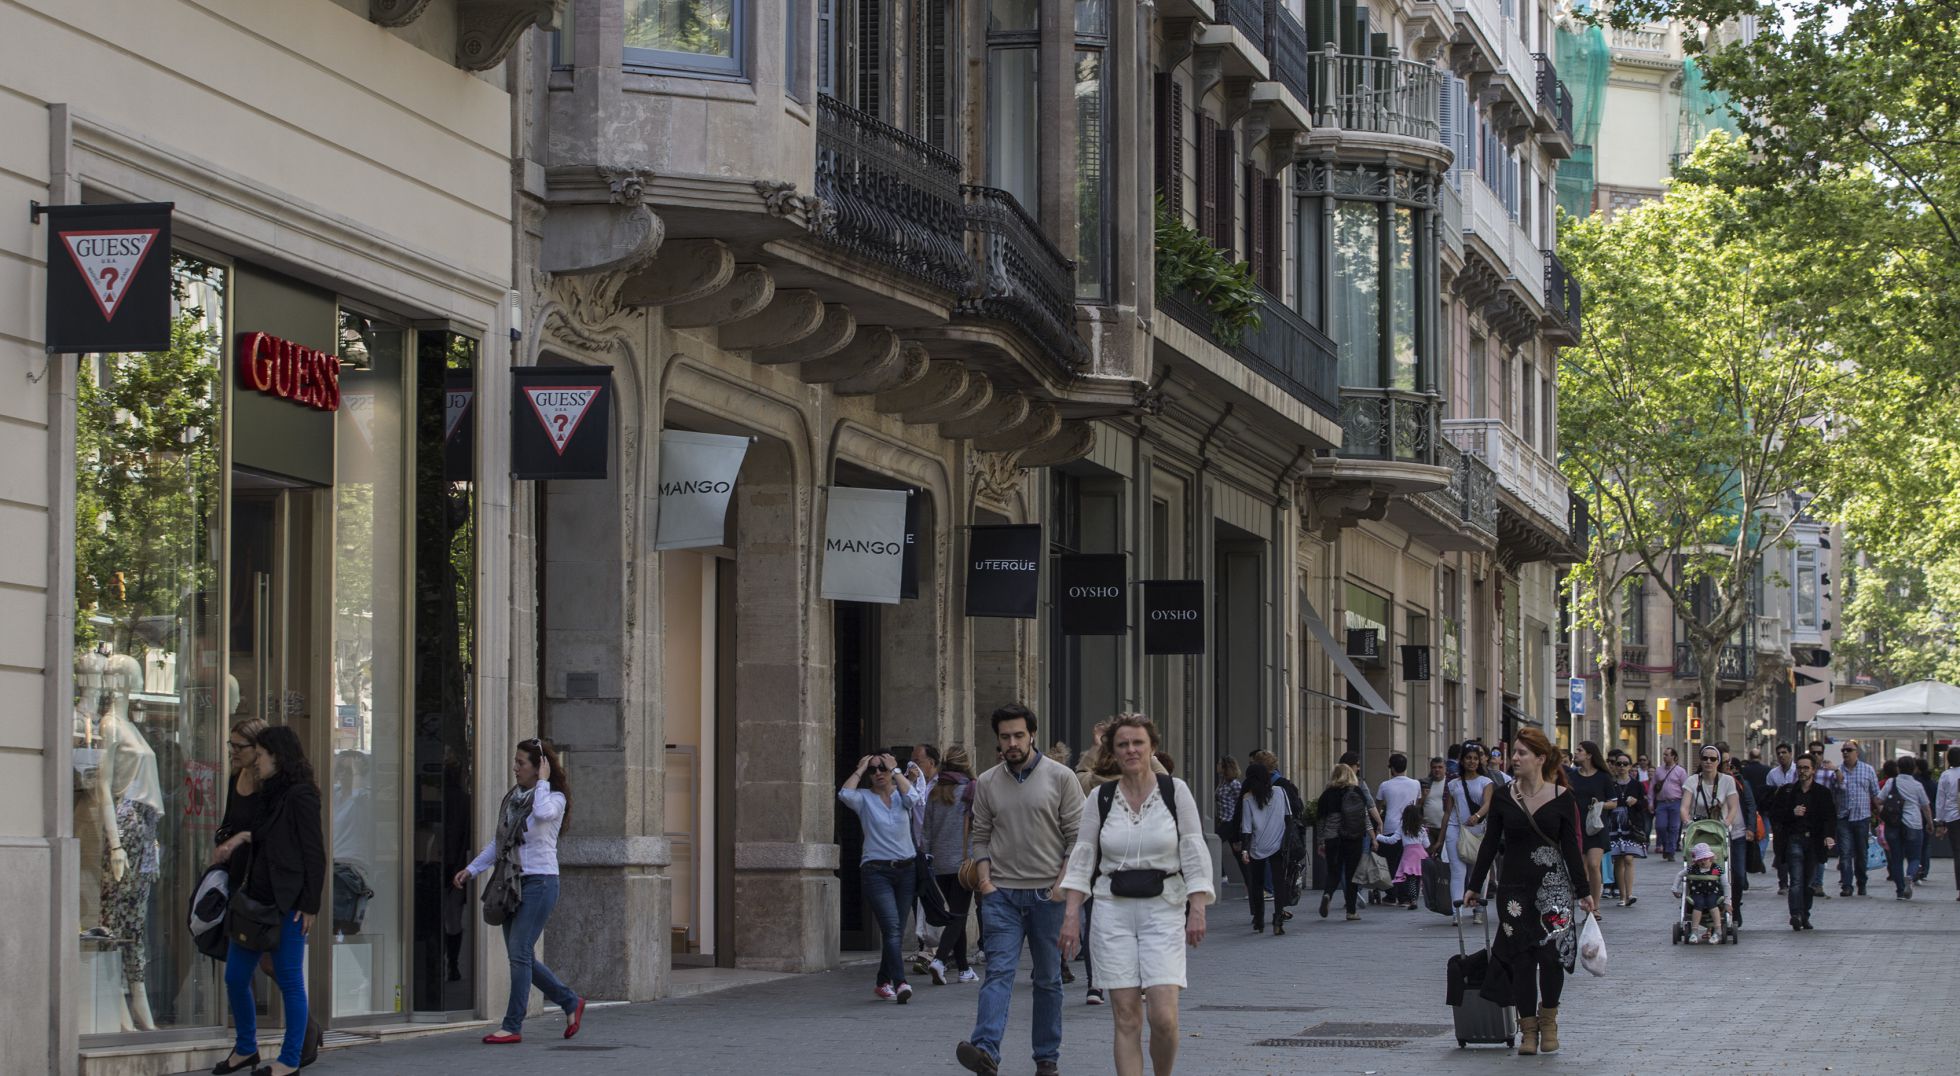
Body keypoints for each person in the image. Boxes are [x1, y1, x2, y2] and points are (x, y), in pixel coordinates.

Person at [1059, 714, 1212, 1076]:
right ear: (1112, 751)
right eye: (1123, 744)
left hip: (1164, 908)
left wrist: (1198, 908)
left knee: (1163, 1018)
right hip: (1112, 909)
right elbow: (1083, 855)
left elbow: (1193, 848)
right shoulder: (1101, 797)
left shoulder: (1176, 792)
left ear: (1152, 747)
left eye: (1138, 743)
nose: (1131, 750)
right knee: (1127, 1017)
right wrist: (1070, 916)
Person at [957, 705, 1083, 1076]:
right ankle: (985, 1052)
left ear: (1032, 735)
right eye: (1005, 737)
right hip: (1002, 896)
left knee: (1047, 978)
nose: (1011, 743)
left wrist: (1061, 886)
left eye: (1018, 736)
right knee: (999, 973)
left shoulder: (1061, 778)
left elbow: (1078, 839)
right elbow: (980, 836)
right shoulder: (987, 781)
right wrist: (985, 882)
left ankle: (1047, 1059)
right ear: (997, 740)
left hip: (1049, 895)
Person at [1463, 729, 1593, 1057]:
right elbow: (1490, 843)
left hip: (1555, 889)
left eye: (1522, 753)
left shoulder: (1563, 798)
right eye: (1514, 753)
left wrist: (1583, 890)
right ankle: (1528, 1028)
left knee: (1551, 958)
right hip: (1514, 891)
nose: (1515, 758)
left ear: (1540, 758)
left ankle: (1549, 1020)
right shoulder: (1504, 796)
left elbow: (1572, 848)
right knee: (1521, 959)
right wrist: (1473, 886)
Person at [209, 726, 324, 1076]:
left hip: (288, 902)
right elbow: (261, 833)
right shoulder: (270, 793)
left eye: (260, 756)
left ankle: (289, 1060)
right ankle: (246, 1048)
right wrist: (239, 838)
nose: (255, 762)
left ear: (278, 755)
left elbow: (313, 854)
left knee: (289, 978)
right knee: (235, 976)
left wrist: (310, 905)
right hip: (256, 900)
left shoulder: (302, 795)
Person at [452, 737, 584, 1043]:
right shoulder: (514, 798)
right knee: (519, 954)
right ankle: (569, 1001)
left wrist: (542, 783)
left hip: (541, 882)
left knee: (520, 953)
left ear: (539, 767)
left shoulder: (553, 798)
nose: (515, 768)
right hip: (511, 884)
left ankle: (512, 1025)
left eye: (521, 763)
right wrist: (472, 869)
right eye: (515, 761)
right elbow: (500, 843)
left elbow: (543, 814)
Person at [838, 751, 924, 1002]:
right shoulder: (864, 799)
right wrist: (860, 768)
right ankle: (900, 983)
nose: (878, 773)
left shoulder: (901, 798)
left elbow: (915, 797)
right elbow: (844, 794)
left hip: (906, 870)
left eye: (882, 768)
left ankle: (882, 981)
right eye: (873, 770)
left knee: (894, 930)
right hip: (877, 872)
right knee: (892, 928)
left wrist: (896, 770)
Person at [923, 746, 979, 986]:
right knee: (958, 915)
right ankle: (940, 961)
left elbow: (925, 831)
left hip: (939, 863)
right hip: (963, 863)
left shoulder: (935, 791)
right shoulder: (972, 789)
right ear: (966, 763)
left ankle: (964, 969)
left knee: (955, 913)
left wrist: (927, 857)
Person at [1770, 753, 1835, 929]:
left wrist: (1829, 836)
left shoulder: (1822, 793)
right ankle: (1796, 914)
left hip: (1813, 842)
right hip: (1794, 840)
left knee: (1807, 882)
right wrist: (1792, 812)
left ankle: (1805, 914)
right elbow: (1775, 815)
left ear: (1813, 770)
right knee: (1796, 881)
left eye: (1806, 768)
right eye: (1799, 767)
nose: (1802, 771)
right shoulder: (1787, 792)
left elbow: (1829, 817)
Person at [1681, 744, 1742, 925]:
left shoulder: (1727, 781)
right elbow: (1684, 807)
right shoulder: (1692, 781)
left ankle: (1731, 908)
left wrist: (1726, 823)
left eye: (1713, 759)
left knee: (1732, 872)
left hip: (1718, 831)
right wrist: (1687, 822)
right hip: (1698, 830)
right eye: (1705, 758)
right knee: (1695, 868)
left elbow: (1733, 807)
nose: (1708, 762)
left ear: (1718, 762)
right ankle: (1694, 905)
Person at [1234, 764, 1296, 934]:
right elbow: (1289, 818)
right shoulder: (1280, 792)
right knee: (1278, 882)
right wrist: (1287, 841)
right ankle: (1278, 919)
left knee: (1257, 883)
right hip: (1278, 843)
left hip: (1256, 846)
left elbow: (1246, 827)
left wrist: (1245, 850)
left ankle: (1259, 919)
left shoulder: (1248, 798)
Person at [1314, 763, 1379, 921]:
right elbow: (1364, 817)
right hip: (1353, 837)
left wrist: (1321, 841)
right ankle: (1351, 911)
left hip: (1332, 838)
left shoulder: (1327, 795)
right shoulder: (1356, 792)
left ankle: (1328, 894)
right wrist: (1372, 836)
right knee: (1351, 874)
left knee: (1334, 871)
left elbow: (1320, 821)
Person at [1441, 742, 1494, 924]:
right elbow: (1448, 812)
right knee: (1458, 871)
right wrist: (1440, 839)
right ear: (1462, 761)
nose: (1472, 761)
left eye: (1475, 758)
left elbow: (1488, 803)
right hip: (1456, 830)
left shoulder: (1486, 782)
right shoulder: (1454, 784)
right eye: (1468, 758)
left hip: (1478, 832)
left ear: (1480, 761)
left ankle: (1479, 909)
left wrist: (1477, 815)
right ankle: (1457, 912)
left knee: (1479, 872)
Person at [1878, 756, 1933, 900]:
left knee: (1896, 859)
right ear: (1914, 768)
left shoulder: (1891, 782)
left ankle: (1900, 891)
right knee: (1915, 857)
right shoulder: (1917, 785)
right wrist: (1930, 823)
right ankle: (1910, 875)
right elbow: (1925, 807)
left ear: (1898, 768)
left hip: (1893, 824)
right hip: (1913, 823)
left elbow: (1878, 799)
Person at [1567, 741, 1611, 917]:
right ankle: (1587, 904)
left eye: (1579, 750)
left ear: (1589, 755)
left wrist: (1600, 805)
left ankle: (1596, 906)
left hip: (1596, 827)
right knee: (1582, 868)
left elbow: (1614, 802)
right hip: (1577, 826)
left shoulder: (1603, 777)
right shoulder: (1572, 777)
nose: (1576, 753)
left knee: (1594, 865)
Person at [1832, 741, 1881, 897]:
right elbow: (1834, 793)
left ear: (1856, 752)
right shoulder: (1837, 771)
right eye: (1843, 750)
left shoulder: (1868, 770)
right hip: (1843, 818)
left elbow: (1875, 794)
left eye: (1849, 750)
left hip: (1862, 817)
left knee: (1861, 853)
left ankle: (1862, 882)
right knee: (1845, 853)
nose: (1845, 753)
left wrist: (1880, 814)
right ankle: (1847, 885)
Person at [1375, 754, 1423, 910]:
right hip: (1410, 828)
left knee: (1391, 864)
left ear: (1392, 768)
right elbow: (1417, 802)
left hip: (1390, 827)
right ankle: (1406, 897)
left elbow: (1378, 806)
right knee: (1407, 864)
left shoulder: (1385, 785)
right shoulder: (1415, 784)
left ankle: (1392, 894)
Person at [1604, 750, 1649, 907]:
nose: (1622, 767)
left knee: (1629, 858)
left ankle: (1629, 894)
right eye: (1619, 764)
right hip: (1614, 824)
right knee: (1619, 860)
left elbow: (1644, 805)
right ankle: (1622, 896)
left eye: (1625, 764)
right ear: (1614, 766)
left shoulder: (1636, 785)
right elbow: (1606, 801)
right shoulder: (1610, 783)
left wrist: (1636, 802)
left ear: (1630, 766)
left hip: (1631, 824)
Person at [1765, 743, 1799, 894]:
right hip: (1779, 819)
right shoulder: (1773, 774)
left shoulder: (1798, 771)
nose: (1781, 756)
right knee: (1780, 851)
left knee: (1794, 850)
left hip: (1796, 817)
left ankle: (1795, 881)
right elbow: (1768, 796)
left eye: (1784, 752)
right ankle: (1783, 883)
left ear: (1790, 754)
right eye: (1779, 753)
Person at [1676, 842, 1727, 944]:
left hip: (1713, 892)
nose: (1703, 862)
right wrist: (1674, 888)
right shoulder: (1693, 868)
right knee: (1698, 905)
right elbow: (1680, 874)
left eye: (1705, 859)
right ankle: (1694, 931)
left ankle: (1717, 930)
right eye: (1700, 860)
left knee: (1712, 904)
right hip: (1697, 892)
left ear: (1710, 858)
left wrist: (1728, 899)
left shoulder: (1716, 868)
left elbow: (1725, 883)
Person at [1651, 748, 1688, 859]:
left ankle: (1670, 851)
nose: (1664, 757)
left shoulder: (1680, 771)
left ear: (1673, 757)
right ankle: (1667, 845)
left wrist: (1685, 805)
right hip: (1661, 803)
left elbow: (1685, 789)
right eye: (1664, 755)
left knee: (1673, 827)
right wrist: (1650, 802)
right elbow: (1653, 787)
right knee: (1660, 826)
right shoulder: (1658, 771)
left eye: (1667, 755)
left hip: (1676, 802)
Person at [1935, 746, 1960, 900]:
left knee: (1958, 853)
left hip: (1952, 818)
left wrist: (1940, 821)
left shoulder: (1946, 775)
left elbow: (1940, 800)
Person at [1214, 756, 1243, 846]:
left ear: (1225, 767)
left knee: (1215, 843)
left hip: (1229, 821)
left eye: (1219, 764)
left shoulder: (1234, 784)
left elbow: (1241, 803)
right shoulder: (1222, 782)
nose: (1217, 765)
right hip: (1221, 820)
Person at [1422, 757, 1449, 833]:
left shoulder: (1450, 783)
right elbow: (1418, 805)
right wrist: (1423, 796)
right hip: (1428, 828)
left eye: (1440, 767)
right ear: (1431, 769)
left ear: (1445, 769)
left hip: (1447, 828)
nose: (1437, 770)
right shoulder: (1425, 783)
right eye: (1434, 767)